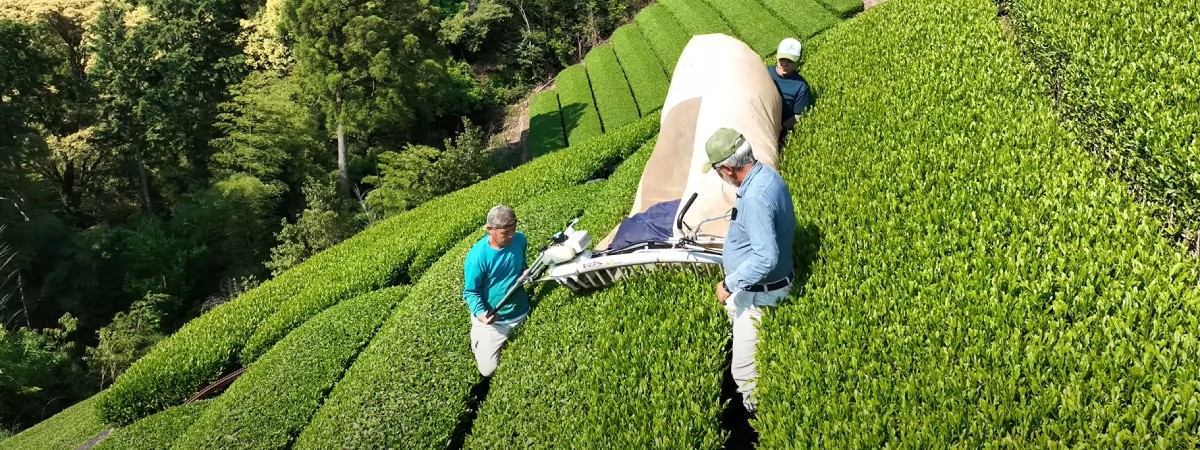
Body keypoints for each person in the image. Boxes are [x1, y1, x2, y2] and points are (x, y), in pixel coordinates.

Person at [700, 128, 796, 414]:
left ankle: (761, 419)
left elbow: (766, 257)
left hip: (761, 296)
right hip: (759, 289)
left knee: (743, 374)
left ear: (728, 169)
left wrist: (729, 284)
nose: (720, 176)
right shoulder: (766, 176)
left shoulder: (754, 197)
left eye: (717, 171)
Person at [462, 205, 530, 377]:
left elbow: (521, 264)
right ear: (490, 230)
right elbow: (470, 292)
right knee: (488, 370)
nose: (511, 235)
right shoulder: (478, 257)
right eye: (505, 232)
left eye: (513, 230)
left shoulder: (520, 240)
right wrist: (480, 313)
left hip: (520, 311)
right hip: (494, 322)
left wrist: (525, 271)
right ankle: (479, 339)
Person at [768, 38, 813, 132]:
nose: (784, 64)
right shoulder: (765, 72)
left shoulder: (801, 86)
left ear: (798, 62)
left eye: (790, 60)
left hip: (776, 129)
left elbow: (799, 115)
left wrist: (781, 129)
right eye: (782, 59)